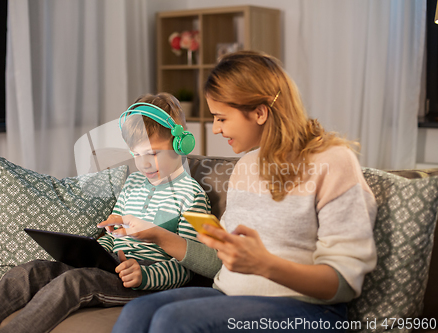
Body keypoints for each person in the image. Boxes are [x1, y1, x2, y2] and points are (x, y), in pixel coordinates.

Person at [111, 51, 377, 333]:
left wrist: (265, 264)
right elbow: (218, 263)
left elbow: (344, 283)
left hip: (310, 309)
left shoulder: (333, 161)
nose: (215, 129)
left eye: (221, 118)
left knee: (174, 321)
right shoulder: (247, 166)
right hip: (232, 296)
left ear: (260, 112)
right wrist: (158, 235)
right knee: (137, 312)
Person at [0, 93, 211, 333]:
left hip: (142, 281)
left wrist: (144, 276)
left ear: (180, 144)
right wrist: (96, 251)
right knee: (29, 271)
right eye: (138, 155)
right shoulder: (133, 184)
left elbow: (187, 269)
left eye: (153, 153)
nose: (145, 163)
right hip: (111, 267)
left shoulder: (191, 195)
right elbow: (111, 236)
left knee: (74, 281)